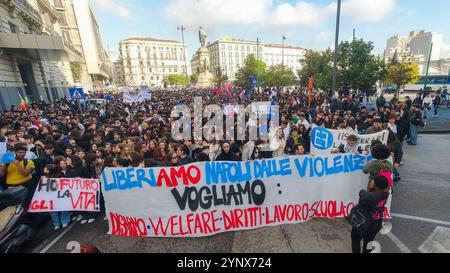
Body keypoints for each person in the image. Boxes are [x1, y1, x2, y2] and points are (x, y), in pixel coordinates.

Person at [351, 175, 390, 253]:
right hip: (376, 224)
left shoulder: (369, 196)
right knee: (368, 243)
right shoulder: (385, 194)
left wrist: (365, 190)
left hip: (363, 223)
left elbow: (362, 194)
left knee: (355, 240)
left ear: (375, 184)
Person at [44, 164, 71, 230]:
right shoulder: (45, 177)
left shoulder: (58, 176)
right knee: (53, 210)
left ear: (49, 170)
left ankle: (63, 221)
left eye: (45, 167)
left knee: (62, 208)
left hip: (60, 195)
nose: (44, 168)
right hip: (51, 197)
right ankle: (58, 223)